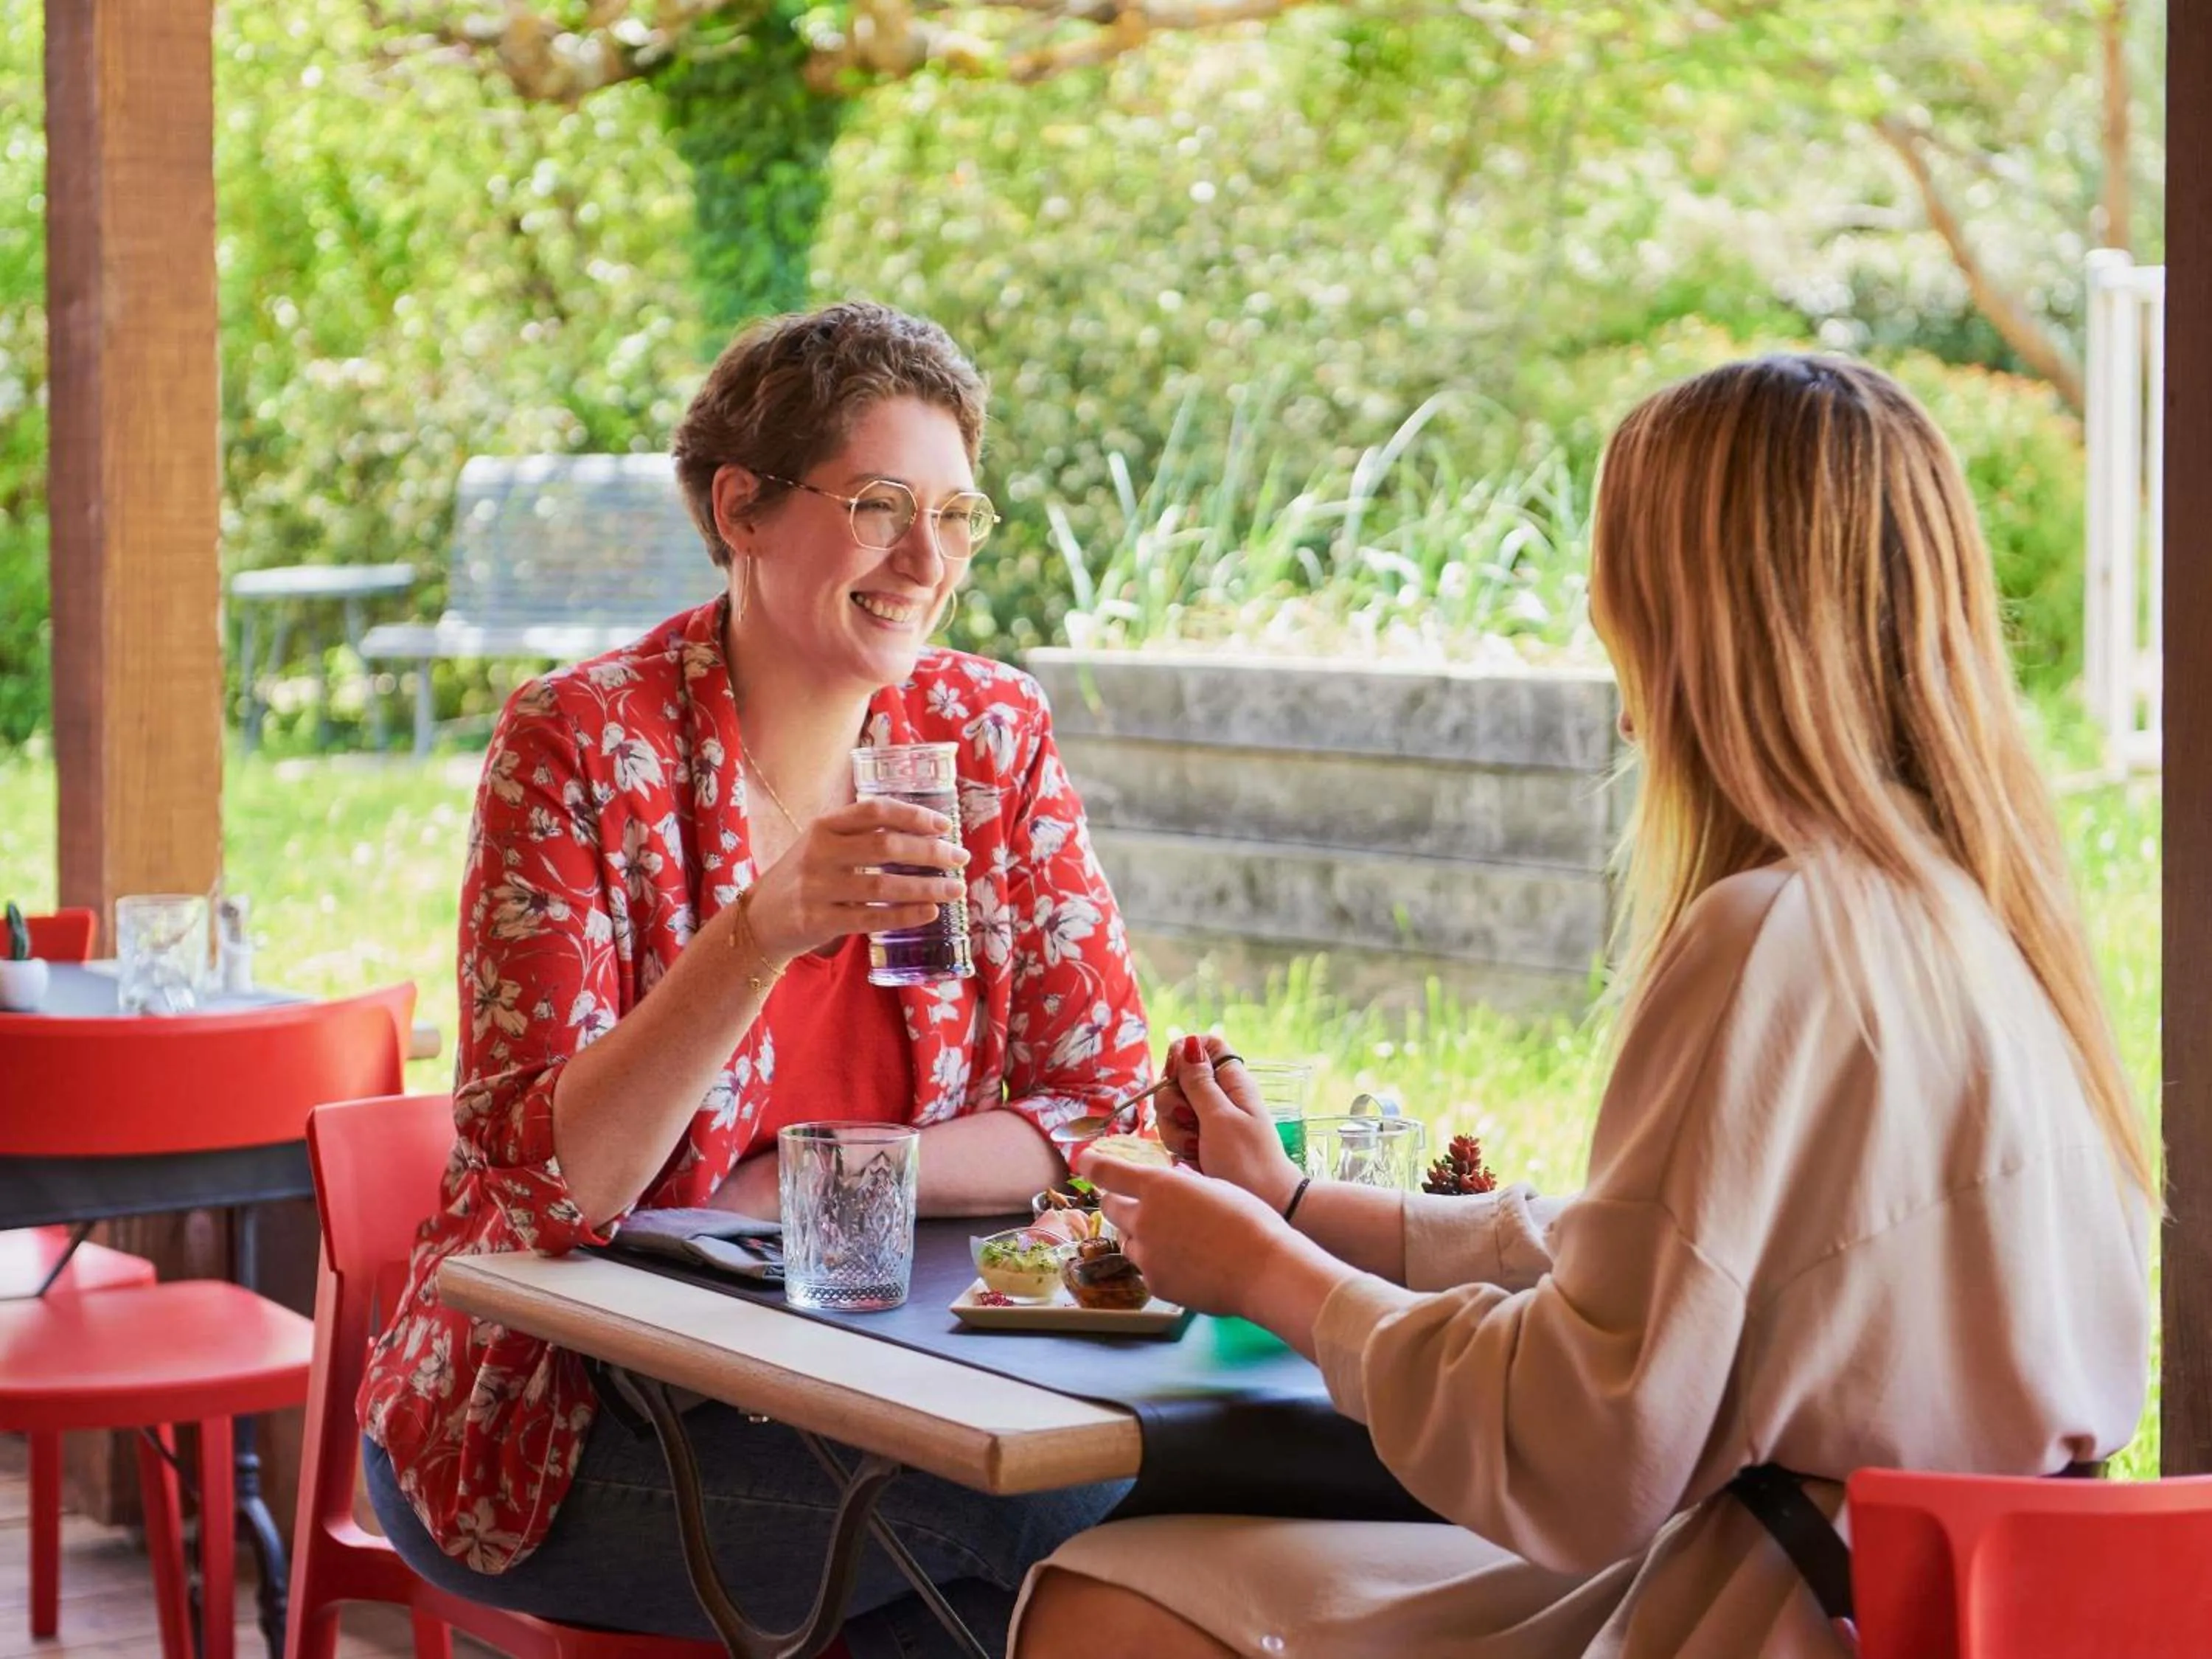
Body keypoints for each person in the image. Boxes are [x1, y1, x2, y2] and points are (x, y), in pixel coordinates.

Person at [1016, 355, 2154, 1658]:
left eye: (1626, 618)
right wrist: (1296, 1205)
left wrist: (1268, 1277)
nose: (1626, 712)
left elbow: (1582, 1446)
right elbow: (1681, 1268)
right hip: (1963, 1611)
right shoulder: (1984, 916)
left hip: (1776, 1615)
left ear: (1698, 623)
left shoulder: (1773, 933)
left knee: (1105, 1588)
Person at [360, 302, 1151, 1657]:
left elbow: (1099, 1105)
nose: (928, 560)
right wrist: (756, 935)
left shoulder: (984, 731)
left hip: (887, 1371)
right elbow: (564, 1183)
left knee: (1060, 1547)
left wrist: (812, 1179)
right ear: (743, 507)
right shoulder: (579, 746)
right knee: (1034, 1529)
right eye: (885, 504)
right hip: (558, 1421)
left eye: (959, 515)